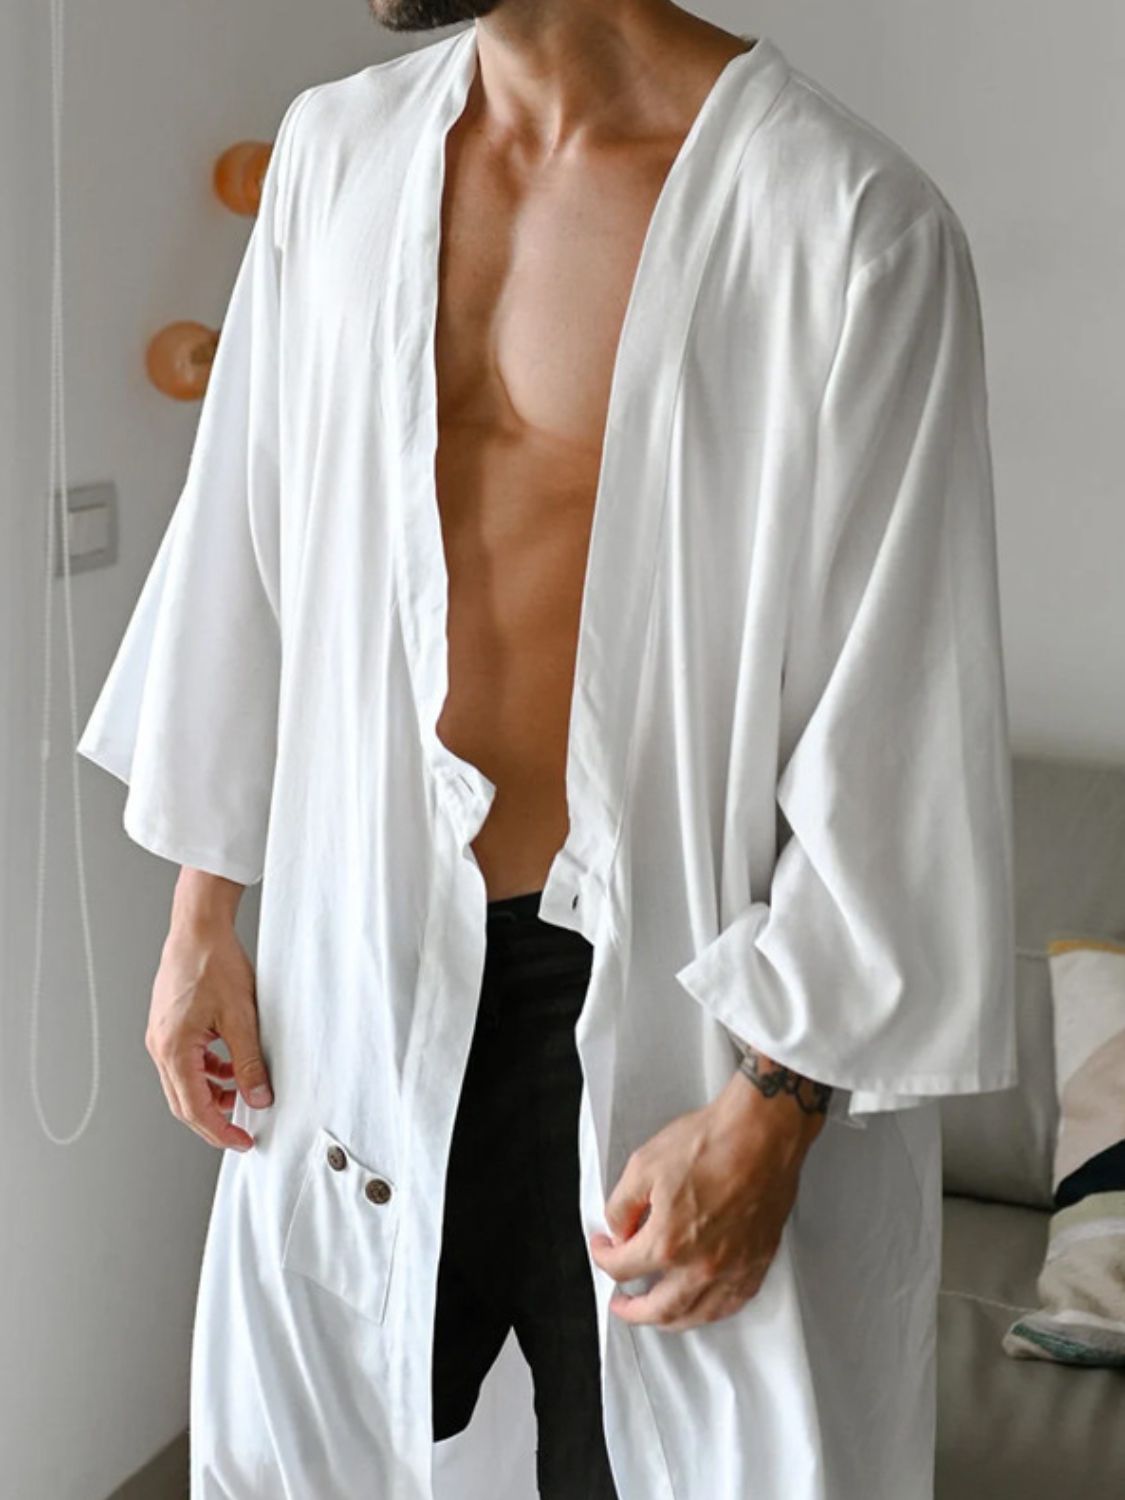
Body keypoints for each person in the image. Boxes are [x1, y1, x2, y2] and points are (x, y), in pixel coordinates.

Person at [77, 4, 1017, 1497]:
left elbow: (895, 716)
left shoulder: (846, 226)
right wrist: (203, 920)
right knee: (323, 1452)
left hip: (682, 1031)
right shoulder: (334, 154)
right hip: (366, 982)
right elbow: (247, 547)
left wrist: (774, 1112)